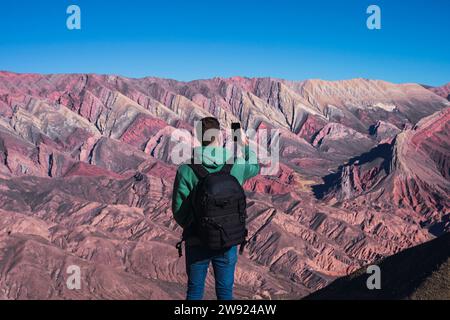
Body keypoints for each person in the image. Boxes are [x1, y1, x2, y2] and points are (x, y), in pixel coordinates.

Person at [172, 117, 260, 300]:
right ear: (219, 135)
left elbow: (179, 211)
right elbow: (256, 166)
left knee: (195, 292)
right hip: (227, 240)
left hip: (197, 240)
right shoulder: (235, 165)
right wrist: (243, 143)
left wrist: (196, 226)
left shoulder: (186, 170)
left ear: (197, 136)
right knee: (225, 293)